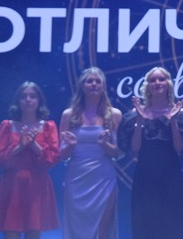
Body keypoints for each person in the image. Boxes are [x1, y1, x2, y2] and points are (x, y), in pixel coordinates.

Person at [118, 66, 183, 239]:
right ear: (147, 85)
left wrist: (173, 121)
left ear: (168, 84)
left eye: (161, 79)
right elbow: (135, 148)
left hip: (170, 177)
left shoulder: (180, 114)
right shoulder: (136, 113)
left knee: (171, 225)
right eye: (153, 80)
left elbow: (179, 148)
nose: (157, 83)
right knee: (144, 224)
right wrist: (140, 119)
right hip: (144, 177)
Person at [59, 67, 122, 239]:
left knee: (103, 229)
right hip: (76, 177)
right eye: (89, 81)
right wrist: (71, 146)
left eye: (97, 81)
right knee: (77, 228)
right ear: (82, 86)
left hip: (104, 177)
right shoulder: (69, 115)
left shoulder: (114, 115)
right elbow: (61, 155)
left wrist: (104, 145)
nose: (94, 84)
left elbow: (118, 153)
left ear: (103, 86)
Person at [0, 81, 60, 238]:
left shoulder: (48, 126)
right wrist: (19, 147)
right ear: (18, 101)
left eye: (32, 96)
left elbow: (52, 159)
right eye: (24, 97)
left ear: (39, 101)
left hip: (36, 186)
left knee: (33, 233)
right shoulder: (7, 125)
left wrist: (34, 145)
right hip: (12, 186)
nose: (28, 100)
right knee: (10, 232)